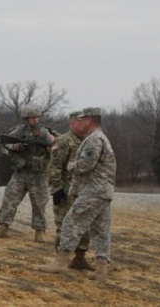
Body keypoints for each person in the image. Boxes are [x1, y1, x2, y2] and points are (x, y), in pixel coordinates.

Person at [39, 107, 116, 281]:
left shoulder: (94, 139)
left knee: (71, 222)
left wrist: (72, 166)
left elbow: (87, 164)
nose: (80, 122)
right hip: (103, 191)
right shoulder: (100, 137)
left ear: (89, 120)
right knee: (100, 230)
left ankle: (60, 262)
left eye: (82, 119)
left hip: (93, 190)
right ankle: (101, 269)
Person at [0, 104, 57, 241]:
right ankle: (4, 227)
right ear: (25, 119)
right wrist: (16, 147)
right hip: (21, 172)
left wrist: (51, 149)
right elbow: (4, 145)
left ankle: (40, 231)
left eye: (36, 117)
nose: (34, 120)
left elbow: (58, 144)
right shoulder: (18, 132)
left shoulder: (46, 133)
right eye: (31, 118)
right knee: (10, 199)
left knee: (39, 203)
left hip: (39, 174)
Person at [49, 111, 95, 270]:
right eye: (79, 122)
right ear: (72, 123)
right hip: (66, 190)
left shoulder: (88, 141)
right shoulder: (63, 141)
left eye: (85, 122)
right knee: (64, 225)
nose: (83, 125)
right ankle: (60, 260)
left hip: (83, 191)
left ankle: (79, 258)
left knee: (84, 226)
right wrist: (56, 188)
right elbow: (54, 167)